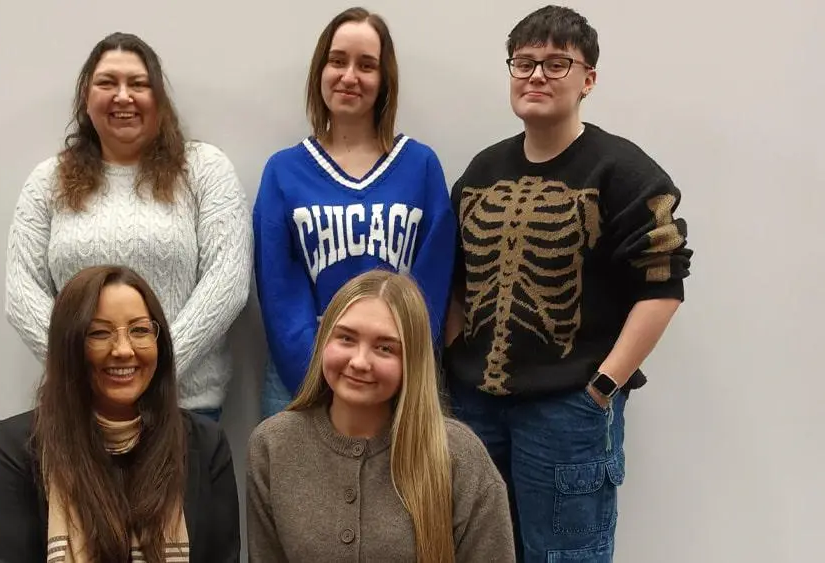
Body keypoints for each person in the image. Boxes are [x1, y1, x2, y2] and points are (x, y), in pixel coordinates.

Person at [444, 5, 694, 562]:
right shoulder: (483, 170)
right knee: (476, 551)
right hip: (475, 407)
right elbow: (455, 277)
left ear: (589, 80)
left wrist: (603, 387)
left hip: (567, 410)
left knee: (565, 555)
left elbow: (663, 286)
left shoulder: (625, 172)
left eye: (557, 64)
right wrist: (453, 362)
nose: (536, 75)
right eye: (525, 62)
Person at [4, 32, 252, 422]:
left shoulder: (205, 169)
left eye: (139, 84)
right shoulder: (47, 180)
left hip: (184, 408)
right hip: (79, 412)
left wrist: (156, 367)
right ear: (87, 97)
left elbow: (228, 282)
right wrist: (85, 370)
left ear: (160, 99)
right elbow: (21, 293)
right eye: (107, 83)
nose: (123, 96)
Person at [253, 7, 456, 419]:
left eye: (366, 65)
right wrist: (316, 376)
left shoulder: (420, 166)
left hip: (394, 378)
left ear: (384, 80)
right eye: (337, 61)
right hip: (300, 379)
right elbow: (278, 287)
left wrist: (398, 364)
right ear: (320, 72)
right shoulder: (284, 170)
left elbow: (433, 281)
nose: (349, 76)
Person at [246, 269, 515, 563]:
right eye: (346, 338)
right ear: (324, 341)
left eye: (384, 348)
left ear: (411, 360)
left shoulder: (460, 456)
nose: (360, 362)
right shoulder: (273, 445)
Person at [0, 265, 240, 563]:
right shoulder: (16, 447)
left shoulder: (205, 445)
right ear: (69, 345)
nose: (124, 350)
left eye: (140, 330)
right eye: (100, 333)